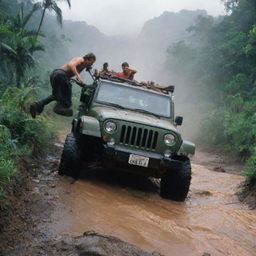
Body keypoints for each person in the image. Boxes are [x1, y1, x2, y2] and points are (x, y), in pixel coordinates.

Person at [30, 52, 96, 118]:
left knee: (56, 95)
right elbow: (71, 65)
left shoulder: (83, 66)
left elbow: (73, 73)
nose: (91, 65)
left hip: (56, 75)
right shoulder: (80, 59)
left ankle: (38, 104)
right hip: (61, 74)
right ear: (87, 59)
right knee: (67, 98)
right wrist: (78, 76)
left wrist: (79, 81)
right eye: (91, 62)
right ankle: (59, 108)